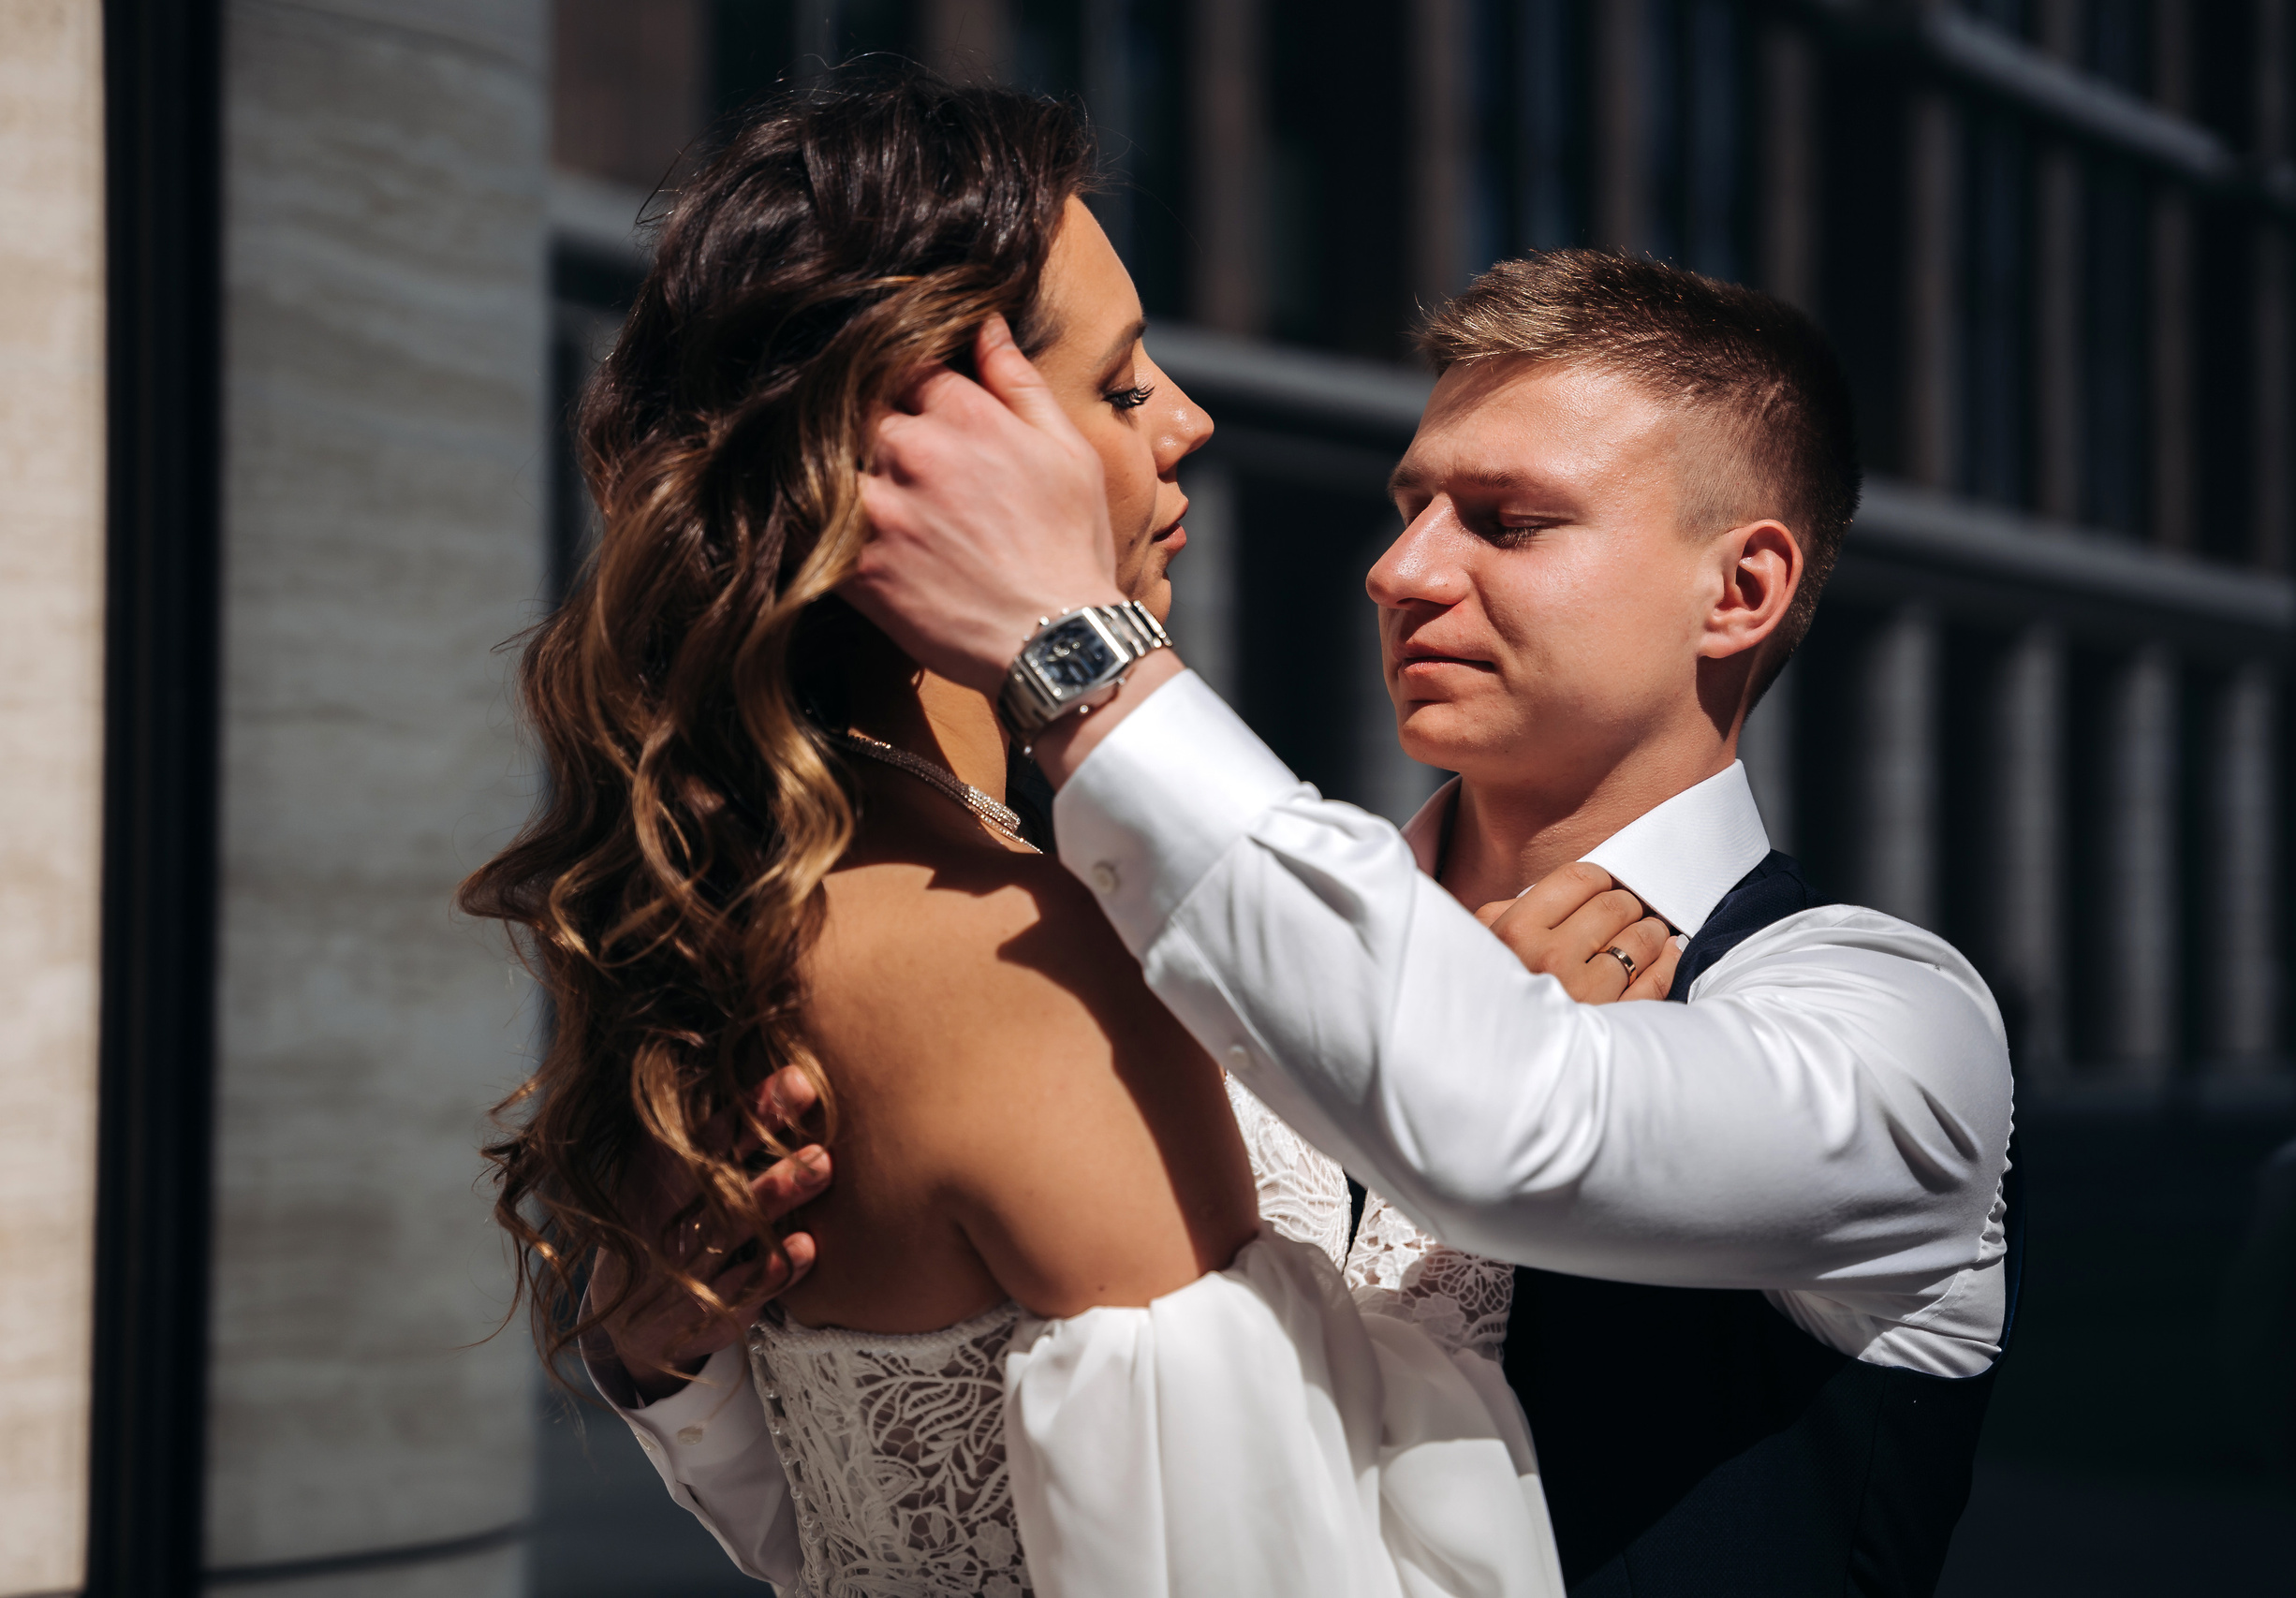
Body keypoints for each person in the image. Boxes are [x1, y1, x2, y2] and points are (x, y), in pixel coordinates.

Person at [461, 70, 1616, 1598]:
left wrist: (661, 1369)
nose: (1189, 420)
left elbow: (870, 1527)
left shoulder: (775, 889)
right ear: (939, 452)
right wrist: (1475, 1103)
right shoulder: (1016, 957)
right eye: (1125, 387)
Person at [836, 250, 2020, 1594]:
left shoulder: (1895, 1019)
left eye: (1507, 523)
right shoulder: (1199, 961)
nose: (1397, 572)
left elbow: (1511, 1126)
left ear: (1739, 590)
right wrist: (688, 1370)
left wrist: (1076, 655)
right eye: (1410, 510)